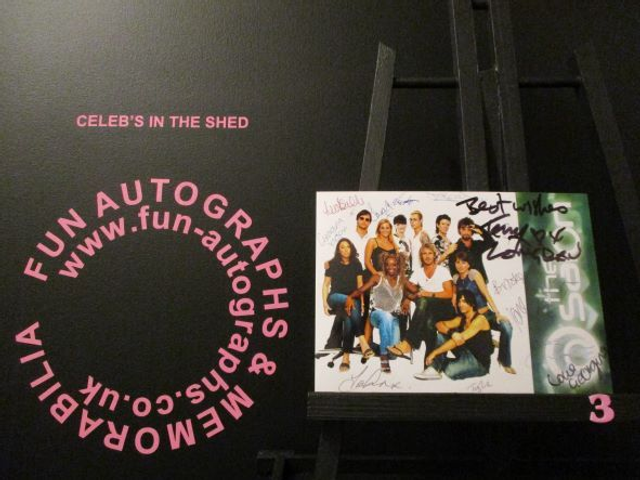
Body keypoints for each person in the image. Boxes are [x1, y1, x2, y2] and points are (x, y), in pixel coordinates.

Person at [345, 253, 414, 373]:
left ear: (398, 266)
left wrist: (408, 300)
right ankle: (383, 358)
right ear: (384, 266)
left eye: (394, 264)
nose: (390, 267)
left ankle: (371, 346)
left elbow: (417, 290)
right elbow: (361, 290)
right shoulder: (378, 277)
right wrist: (350, 297)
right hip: (376, 314)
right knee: (385, 316)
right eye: (387, 265)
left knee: (393, 354)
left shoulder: (402, 280)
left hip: (393, 318)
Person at [387, 243, 455, 361]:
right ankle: (426, 361)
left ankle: (408, 343)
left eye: (430, 253)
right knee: (427, 318)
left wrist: (429, 293)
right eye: (424, 254)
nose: (427, 256)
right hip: (428, 309)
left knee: (423, 301)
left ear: (434, 255)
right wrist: (407, 300)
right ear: (421, 256)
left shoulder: (442, 271)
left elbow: (448, 293)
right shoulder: (418, 272)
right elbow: (409, 289)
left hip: (443, 307)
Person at [451, 251, 515, 374]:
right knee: (461, 338)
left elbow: (486, 293)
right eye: (458, 262)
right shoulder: (455, 278)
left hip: (485, 314)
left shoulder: (474, 274)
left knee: (506, 327)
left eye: (464, 262)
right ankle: (489, 342)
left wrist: (497, 313)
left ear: (469, 264)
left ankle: (504, 360)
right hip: (470, 319)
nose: (460, 265)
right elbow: (455, 299)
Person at [415, 290, 493, 381]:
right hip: (465, 352)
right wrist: (452, 333)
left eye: (464, 301)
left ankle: (438, 364)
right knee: (441, 336)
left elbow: (458, 340)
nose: (460, 304)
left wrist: (434, 353)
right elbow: (439, 324)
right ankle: (433, 368)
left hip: (478, 363)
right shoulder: (461, 319)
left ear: (472, 303)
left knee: (450, 371)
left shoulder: (480, 320)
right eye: (459, 301)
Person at [321, 238, 373, 371]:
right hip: (335, 298)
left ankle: (346, 357)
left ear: (352, 248)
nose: (345, 250)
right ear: (338, 250)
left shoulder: (356, 264)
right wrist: (324, 304)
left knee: (348, 315)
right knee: (350, 304)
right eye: (342, 247)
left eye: (348, 247)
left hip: (352, 300)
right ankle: (362, 340)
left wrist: (362, 302)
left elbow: (360, 285)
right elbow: (326, 285)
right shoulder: (332, 264)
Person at [448, 217, 497, 283]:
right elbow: (452, 268)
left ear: (473, 231)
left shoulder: (477, 245)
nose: (466, 232)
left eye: (469, 229)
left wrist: (479, 229)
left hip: (481, 282)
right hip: (464, 285)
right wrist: (460, 282)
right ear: (459, 230)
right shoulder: (454, 247)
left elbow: (491, 242)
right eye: (463, 229)